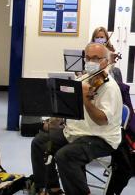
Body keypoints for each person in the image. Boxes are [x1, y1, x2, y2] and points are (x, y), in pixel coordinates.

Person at [31, 42, 122, 195]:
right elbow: (69, 107)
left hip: (101, 138)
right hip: (77, 132)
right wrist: (55, 120)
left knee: (65, 156)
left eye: (96, 58)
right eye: (88, 58)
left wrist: (86, 99)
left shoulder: (109, 87)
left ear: (106, 61)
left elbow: (101, 120)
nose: (91, 62)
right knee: (39, 142)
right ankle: (50, 188)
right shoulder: (84, 79)